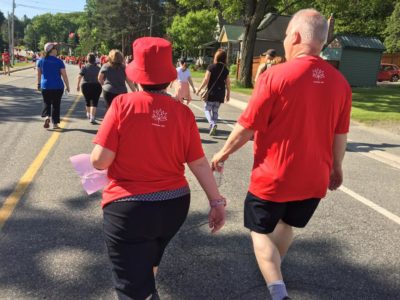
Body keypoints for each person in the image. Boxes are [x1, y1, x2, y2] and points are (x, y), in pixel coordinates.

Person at [211, 9, 352, 300]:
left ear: (297, 36)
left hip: (274, 177)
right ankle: (275, 271)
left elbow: (247, 127)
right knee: (287, 224)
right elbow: (340, 135)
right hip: (314, 178)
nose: (286, 40)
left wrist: (222, 153)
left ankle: (278, 291)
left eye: (287, 34)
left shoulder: (275, 76)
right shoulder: (341, 84)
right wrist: (336, 168)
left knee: (259, 231)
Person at [90, 37, 226, 300]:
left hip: (128, 208)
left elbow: (100, 161)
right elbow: (198, 162)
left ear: (137, 74)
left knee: (129, 286)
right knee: (150, 258)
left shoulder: (122, 105)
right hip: (173, 205)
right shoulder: (183, 113)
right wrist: (216, 202)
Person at [196, 49, 230, 136]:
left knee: (207, 109)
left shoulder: (211, 67)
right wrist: (228, 93)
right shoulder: (225, 70)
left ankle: (212, 123)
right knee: (215, 111)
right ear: (224, 58)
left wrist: (199, 89)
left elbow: (206, 80)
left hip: (211, 92)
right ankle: (213, 125)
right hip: (220, 93)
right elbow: (228, 82)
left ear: (216, 57)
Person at [37, 42, 71, 130]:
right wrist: (67, 86)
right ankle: (55, 124)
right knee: (56, 105)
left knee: (46, 102)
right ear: (52, 50)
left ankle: (47, 117)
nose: (57, 50)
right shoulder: (59, 61)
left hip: (45, 86)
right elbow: (64, 75)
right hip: (57, 86)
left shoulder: (41, 60)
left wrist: (38, 84)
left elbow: (39, 74)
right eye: (56, 48)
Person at [77, 53, 102, 124]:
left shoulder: (84, 67)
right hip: (96, 85)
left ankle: (88, 114)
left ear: (87, 59)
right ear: (95, 60)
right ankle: (92, 117)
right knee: (95, 102)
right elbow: (102, 78)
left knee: (87, 101)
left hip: (86, 85)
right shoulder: (99, 68)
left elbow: (79, 77)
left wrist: (78, 85)